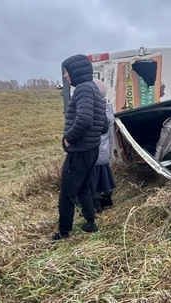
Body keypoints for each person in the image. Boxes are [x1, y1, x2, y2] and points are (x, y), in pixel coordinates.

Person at [52, 54, 108, 241]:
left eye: (66, 72)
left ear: (75, 71)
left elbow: (84, 119)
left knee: (68, 192)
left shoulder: (83, 89)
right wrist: (91, 136)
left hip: (80, 150)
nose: (66, 76)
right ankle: (90, 223)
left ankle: (63, 231)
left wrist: (68, 139)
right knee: (84, 187)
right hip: (92, 149)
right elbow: (105, 125)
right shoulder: (94, 89)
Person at [91, 79, 116, 213]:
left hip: (94, 152)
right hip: (104, 152)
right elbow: (111, 136)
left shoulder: (94, 111)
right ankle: (107, 200)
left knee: (94, 182)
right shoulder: (108, 110)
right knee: (104, 178)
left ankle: (96, 206)